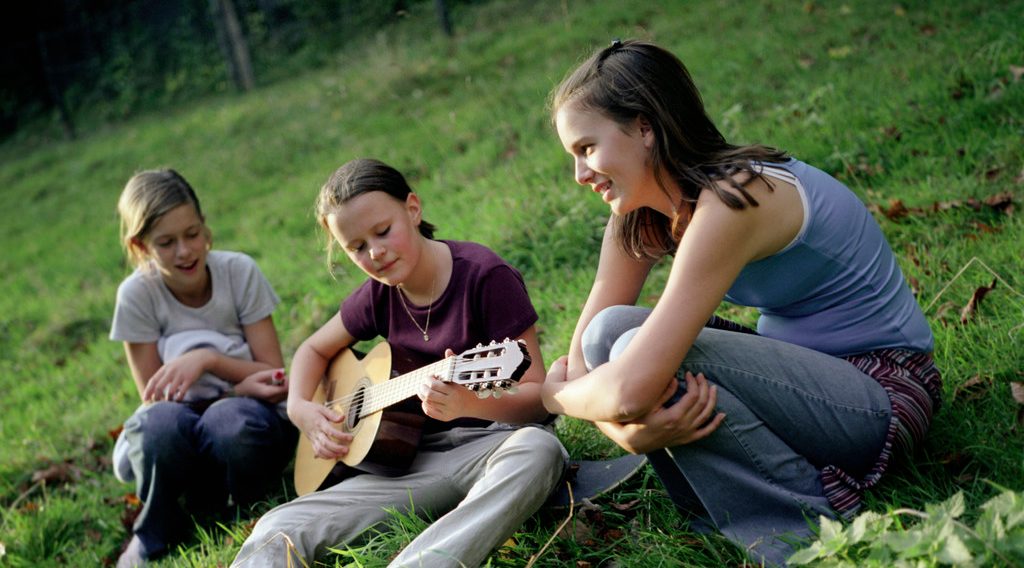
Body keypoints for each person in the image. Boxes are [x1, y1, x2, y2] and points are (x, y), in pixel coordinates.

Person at [540, 40, 942, 566]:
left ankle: (804, 531)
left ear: (644, 127)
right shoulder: (641, 212)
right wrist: (621, 423)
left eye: (587, 149)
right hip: (809, 388)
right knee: (609, 335)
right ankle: (724, 508)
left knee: (641, 353)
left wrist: (556, 399)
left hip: (882, 395)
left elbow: (608, 386)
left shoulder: (738, 196)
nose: (580, 175)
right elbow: (584, 362)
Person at [232, 158, 566, 567]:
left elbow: (538, 397)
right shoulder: (378, 294)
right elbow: (312, 351)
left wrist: (468, 404)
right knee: (275, 528)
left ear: (413, 209)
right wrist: (300, 408)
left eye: (383, 231)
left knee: (539, 450)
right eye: (356, 247)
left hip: (490, 447)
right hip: (404, 465)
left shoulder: (483, 276)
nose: (375, 253)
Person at [110, 169, 296, 567]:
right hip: (181, 426)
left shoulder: (238, 272)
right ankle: (155, 533)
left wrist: (207, 360)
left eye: (192, 234)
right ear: (139, 246)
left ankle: (248, 509)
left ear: (204, 226)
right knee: (156, 427)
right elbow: (156, 400)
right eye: (166, 242)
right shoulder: (136, 296)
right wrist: (233, 385)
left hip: (248, 420)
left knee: (231, 421)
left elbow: (274, 377)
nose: (185, 251)